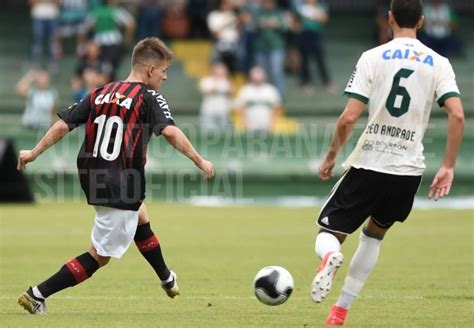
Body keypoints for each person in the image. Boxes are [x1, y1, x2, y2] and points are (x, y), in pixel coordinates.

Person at [16, 37, 215, 315]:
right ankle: (37, 294)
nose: (166, 77)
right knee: (99, 255)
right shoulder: (150, 96)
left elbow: (64, 125)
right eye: (164, 71)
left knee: (140, 214)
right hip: (120, 180)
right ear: (149, 70)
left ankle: (166, 278)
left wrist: (34, 153)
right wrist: (199, 159)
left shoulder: (100, 91)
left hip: (92, 175)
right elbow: (169, 131)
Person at [310, 0, 464, 325]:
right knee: (374, 235)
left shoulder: (372, 57)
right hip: (408, 170)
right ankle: (339, 311)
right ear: (421, 21)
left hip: (370, 161)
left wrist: (331, 156)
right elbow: (457, 114)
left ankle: (329, 256)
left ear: (389, 18)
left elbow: (348, 118)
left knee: (329, 232)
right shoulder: (439, 62)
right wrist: (448, 165)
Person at [292, 0, 334, 94]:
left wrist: (315, 14)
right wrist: (297, 27)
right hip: (304, 34)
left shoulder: (321, 6)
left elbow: (324, 19)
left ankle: (327, 82)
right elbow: (294, 20)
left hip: (316, 34)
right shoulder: (300, 7)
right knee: (304, 60)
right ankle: (306, 82)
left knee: (320, 59)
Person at [253, 0, 288, 97]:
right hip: (261, 47)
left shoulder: (280, 12)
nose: (269, 4)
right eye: (267, 2)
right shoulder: (258, 12)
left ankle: (279, 96)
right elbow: (252, 27)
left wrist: (275, 24)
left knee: (277, 71)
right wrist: (263, 24)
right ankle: (265, 95)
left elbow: (286, 27)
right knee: (262, 72)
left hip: (276, 46)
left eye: (271, 2)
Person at [235, 66, 282, 133]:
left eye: (259, 74)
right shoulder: (245, 90)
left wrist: (272, 123)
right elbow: (239, 108)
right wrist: (245, 123)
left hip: (266, 126)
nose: (257, 77)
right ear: (251, 76)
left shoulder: (270, 89)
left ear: (264, 76)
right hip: (250, 126)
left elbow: (277, 108)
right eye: (255, 74)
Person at [199, 62, 233, 131]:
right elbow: (211, 90)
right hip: (209, 112)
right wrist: (217, 80)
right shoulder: (207, 80)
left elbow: (232, 92)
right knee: (208, 133)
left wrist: (226, 78)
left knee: (224, 134)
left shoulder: (226, 81)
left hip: (223, 112)